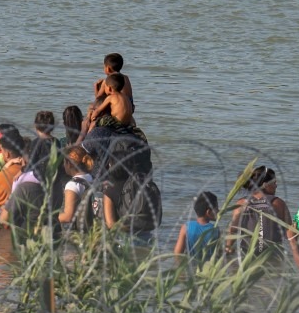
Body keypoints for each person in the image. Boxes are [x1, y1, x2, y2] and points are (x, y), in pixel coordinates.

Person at [88, 105, 161, 241]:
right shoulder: (139, 184)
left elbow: (110, 224)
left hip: (124, 241)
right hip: (147, 239)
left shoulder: (110, 190)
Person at [224, 166, 299, 267]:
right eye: (274, 182)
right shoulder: (278, 203)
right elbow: (290, 232)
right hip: (273, 256)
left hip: (247, 256)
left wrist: (228, 247)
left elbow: (233, 230)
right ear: (265, 185)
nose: (276, 186)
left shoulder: (241, 203)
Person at [0, 127, 29, 228]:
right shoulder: (30, 171)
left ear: (7, 154)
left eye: (2, 150)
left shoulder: (1, 177)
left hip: (3, 224)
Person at [174, 191, 219, 259]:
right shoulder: (215, 230)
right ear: (208, 212)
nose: (218, 211)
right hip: (209, 267)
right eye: (216, 208)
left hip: (191, 265)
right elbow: (218, 254)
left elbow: (177, 254)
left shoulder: (186, 227)